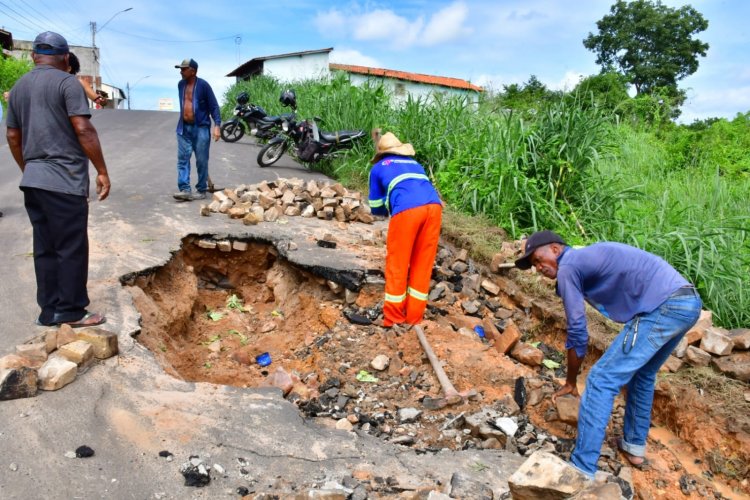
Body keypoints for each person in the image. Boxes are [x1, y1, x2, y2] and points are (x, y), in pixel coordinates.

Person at [514, 230, 701, 478]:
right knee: (643, 375)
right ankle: (634, 447)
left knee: (601, 379)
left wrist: (571, 381)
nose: (538, 268)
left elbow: (578, 330)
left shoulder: (569, 266)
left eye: (538, 259)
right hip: (687, 302)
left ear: (555, 250)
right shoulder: (582, 259)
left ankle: (582, 467)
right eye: (534, 265)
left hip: (664, 306)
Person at [5, 31, 111, 328]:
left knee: (45, 247)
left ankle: (48, 310)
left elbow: (13, 135)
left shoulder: (19, 87)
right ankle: (71, 311)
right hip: (64, 180)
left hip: (34, 181)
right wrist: (101, 170)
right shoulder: (68, 83)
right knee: (70, 247)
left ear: (33, 56)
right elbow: (83, 129)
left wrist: (29, 168)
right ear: (65, 57)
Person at [368, 130, 443, 328]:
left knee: (398, 264)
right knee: (422, 263)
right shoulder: (415, 164)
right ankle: (415, 317)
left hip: (408, 211)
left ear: (381, 154)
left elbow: (376, 206)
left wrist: (386, 210)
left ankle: (393, 318)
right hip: (434, 209)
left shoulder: (377, 168)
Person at [172, 58, 221, 201]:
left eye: (183, 69)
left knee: (201, 160)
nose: (181, 71)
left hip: (201, 128)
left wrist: (217, 125)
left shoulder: (204, 85)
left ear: (192, 71)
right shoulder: (180, 85)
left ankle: (201, 189)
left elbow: (214, 106)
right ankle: (185, 189)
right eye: (180, 69)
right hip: (183, 128)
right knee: (183, 159)